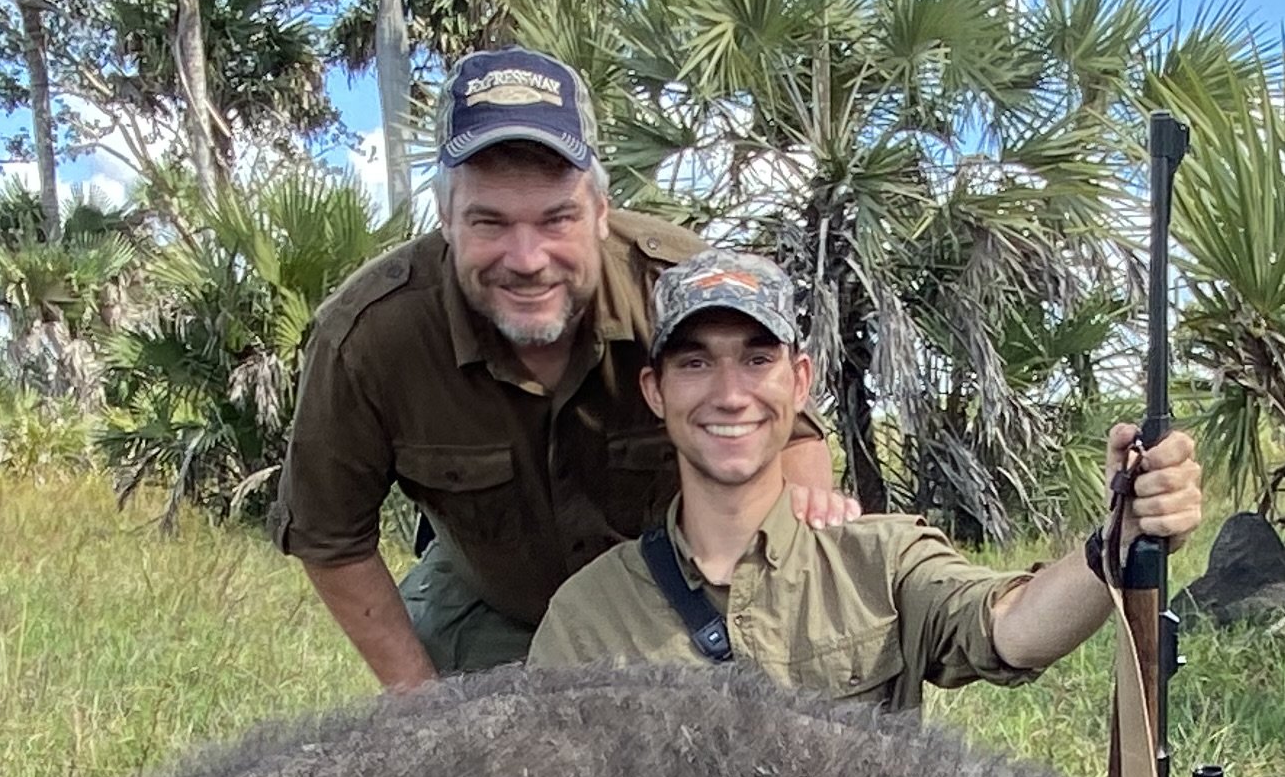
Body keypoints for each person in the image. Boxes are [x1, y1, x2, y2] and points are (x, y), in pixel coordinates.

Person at [272, 49, 844, 689]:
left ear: (601, 211)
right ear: (446, 218)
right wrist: (418, 702)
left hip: (669, 607)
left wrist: (794, 553)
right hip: (486, 605)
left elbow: (790, 436)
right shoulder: (369, 336)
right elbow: (329, 536)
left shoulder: (677, 285)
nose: (526, 258)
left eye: (557, 219)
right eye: (489, 221)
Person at [531, 251, 1206, 714]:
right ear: (656, 391)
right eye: (696, 363)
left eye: (757, 358)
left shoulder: (881, 559)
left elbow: (1009, 629)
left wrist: (1116, 541)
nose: (731, 393)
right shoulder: (588, 614)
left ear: (799, 381)